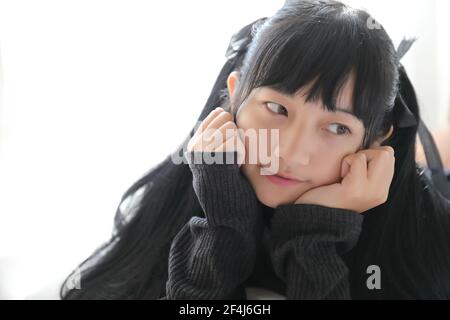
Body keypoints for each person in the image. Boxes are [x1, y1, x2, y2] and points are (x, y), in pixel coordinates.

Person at [60, 0, 450, 300]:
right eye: (277, 108)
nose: (291, 153)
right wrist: (224, 218)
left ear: (378, 137)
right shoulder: (170, 204)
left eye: (336, 127)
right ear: (234, 95)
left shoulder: (425, 245)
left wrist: (314, 233)